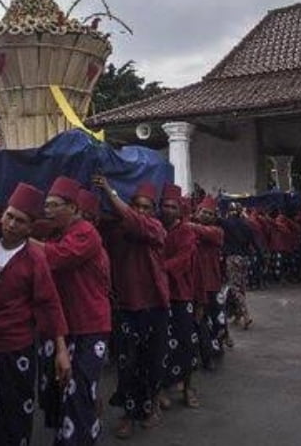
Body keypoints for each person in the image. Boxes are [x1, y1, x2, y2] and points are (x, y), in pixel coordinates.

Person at [0, 182, 71, 446]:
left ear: (30, 227)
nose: (12, 224)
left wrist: (61, 350)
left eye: (21, 221)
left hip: (16, 350)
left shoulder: (35, 259)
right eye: (9, 216)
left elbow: (50, 304)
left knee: (13, 416)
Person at [93, 176, 168, 440]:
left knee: (152, 362)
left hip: (155, 305)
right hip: (126, 305)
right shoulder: (118, 231)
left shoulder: (156, 228)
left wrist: (110, 192)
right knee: (127, 365)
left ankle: (150, 407)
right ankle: (128, 413)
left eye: (146, 206)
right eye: (136, 205)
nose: (140, 211)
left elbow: (136, 223)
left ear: (154, 211)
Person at [38, 176, 111, 446]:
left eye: (55, 205)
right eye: (46, 205)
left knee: (78, 391)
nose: (48, 210)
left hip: (89, 325)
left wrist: (22, 238)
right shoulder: (57, 233)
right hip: (64, 325)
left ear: (73, 208)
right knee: (63, 391)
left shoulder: (86, 232)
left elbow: (55, 258)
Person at [159, 183, 204, 409]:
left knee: (186, 344)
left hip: (181, 295)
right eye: (164, 205)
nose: (167, 210)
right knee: (161, 345)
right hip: (159, 296)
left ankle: (187, 388)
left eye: (172, 206)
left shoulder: (186, 231)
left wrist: (158, 269)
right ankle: (162, 388)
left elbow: (184, 260)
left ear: (179, 210)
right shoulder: (155, 228)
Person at [192, 195, 226, 369]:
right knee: (200, 321)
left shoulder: (217, 232)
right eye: (203, 212)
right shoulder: (192, 230)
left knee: (217, 320)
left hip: (213, 284)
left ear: (214, 217)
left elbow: (205, 232)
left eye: (209, 213)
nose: (205, 215)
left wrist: (187, 225)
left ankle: (215, 347)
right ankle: (207, 354)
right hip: (197, 286)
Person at [221, 203, 255, 329]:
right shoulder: (246, 224)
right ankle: (237, 315)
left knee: (234, 287)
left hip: (232, 258)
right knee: (242, 286)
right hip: (245, 259)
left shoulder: (226, 223)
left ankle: (246, 314)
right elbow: (254, 242)